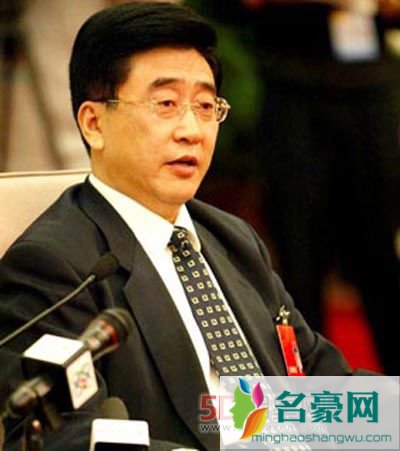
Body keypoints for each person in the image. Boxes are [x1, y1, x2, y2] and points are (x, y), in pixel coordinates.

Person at [0, 3, 374, 450]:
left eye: (205, 106)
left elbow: (316, 378)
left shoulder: (232, 239)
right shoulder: (54, 267)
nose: (192, 130)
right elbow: (63, 435)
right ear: (94, 124)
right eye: (166, 104)